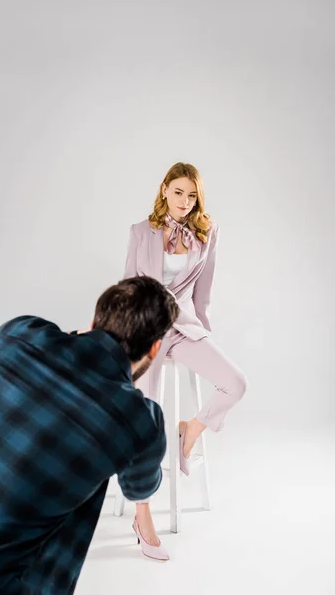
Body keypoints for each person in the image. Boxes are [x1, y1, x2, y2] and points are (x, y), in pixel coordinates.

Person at [0, 276, 179, 594]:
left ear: (94, 320)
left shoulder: (19, 332)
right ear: (155, 348)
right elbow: (139, 488)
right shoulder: (139, 420)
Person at [123, 162, 248, 559]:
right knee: (145, 418)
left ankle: (189, 431)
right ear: (164, 191)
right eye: (178, 192)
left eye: (191, 195)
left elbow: (202, 294)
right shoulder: (140, 232)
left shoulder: (206, 234)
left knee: (235, 382)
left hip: (184, 327)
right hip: (146, 330)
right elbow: (128, 286)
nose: (184, 201)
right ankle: (142, 516)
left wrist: (203, 335)